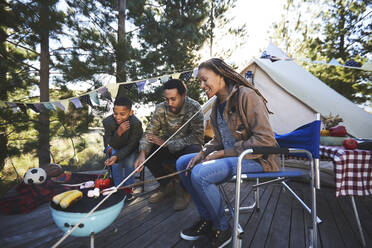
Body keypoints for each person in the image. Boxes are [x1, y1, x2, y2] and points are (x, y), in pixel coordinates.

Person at [176, 58, 280, 247]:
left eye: (204, 79)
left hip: (257, 159)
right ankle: (208, 219)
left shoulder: (247, 96)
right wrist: (203, 152)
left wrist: (224, 153)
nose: (202, 85)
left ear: (221, 75)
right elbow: (218, 139)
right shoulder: (217, 104)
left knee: (200, 174)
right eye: (200, 81)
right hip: (233, 156)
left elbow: (266, 140)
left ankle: (222, 228)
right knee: (183, 162)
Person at [134, 79, 204, 211]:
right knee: (148, 149)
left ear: (184, 95)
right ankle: (167, 185)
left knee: (194, 150)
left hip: (185, 147)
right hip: (167, 146)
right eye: (166, 99)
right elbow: (149, 133)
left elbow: (198, 138)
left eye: (173, 99)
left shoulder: (194, 107)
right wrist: (142, 153)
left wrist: (168, 144)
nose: (169, 103)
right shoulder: (161, 108)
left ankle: (184, 190)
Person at [103, 96, 143, 201]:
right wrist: (118, 133)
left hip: (132, 148)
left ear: (131, 112)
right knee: (116, 165)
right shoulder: (108, 122)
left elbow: (132, 145)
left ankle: (128, 188)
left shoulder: (136, 124)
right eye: (115, 113)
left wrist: (117, 156)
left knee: (130, 163)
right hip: (117, 147)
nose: (118, 117)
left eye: (122, 114)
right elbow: (109, 143)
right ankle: (119, 188)